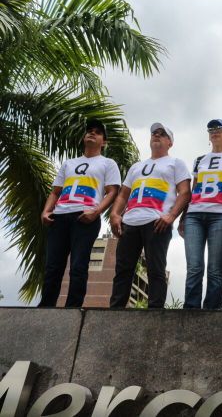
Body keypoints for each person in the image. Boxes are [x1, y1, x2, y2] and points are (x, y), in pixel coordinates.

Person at [39, 119, 121, 307]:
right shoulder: (69, 163)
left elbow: (112, 191)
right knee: (53, 267)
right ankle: (45, 307)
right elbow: (55, 191)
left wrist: (96, 211)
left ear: (104, 142)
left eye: (98, 132)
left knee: (78, 265)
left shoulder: (108, 163)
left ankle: (73, 307)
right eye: (89, 131)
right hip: (59, 216)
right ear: (84, 137)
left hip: (85, 217)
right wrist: (46, 211)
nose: (92, 133)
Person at [109, 122, 191, 308]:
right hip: (130, 221)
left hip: (156, 221)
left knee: (156, 269)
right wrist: (115, 214)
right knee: (123, 269)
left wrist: (171, 216)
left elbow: (185, 192)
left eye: (162, 133)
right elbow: (123, 194)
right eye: (154, 132)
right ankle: (115, 310)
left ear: (170, 142)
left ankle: (155, 311)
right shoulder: (136, 167)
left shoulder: (176, 163)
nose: (156, 135)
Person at [179, 119, 222, 309]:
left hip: (221, 214)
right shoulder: (200, 160)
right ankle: (190, 309)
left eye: (219, 129)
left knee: (215, 269)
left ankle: (212, 311)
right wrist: (184, 216)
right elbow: (194, 187)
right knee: (194, 267)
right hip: (195, 214)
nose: (215, 132)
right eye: (211, 129)